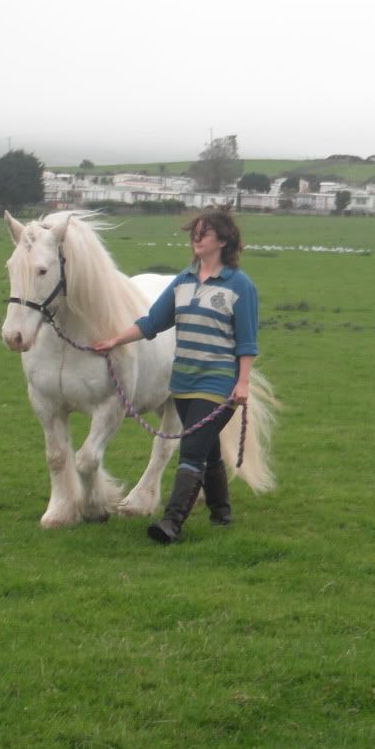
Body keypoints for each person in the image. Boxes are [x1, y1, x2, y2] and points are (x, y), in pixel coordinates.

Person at [93, 207, 259, 543]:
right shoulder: (183, 281)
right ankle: (221, 513)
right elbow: (153, 323)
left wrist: (242, 383)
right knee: (207, 447)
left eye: (205, 232)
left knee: (192, 450)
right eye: (194, 232)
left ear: (223, 240)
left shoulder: (240, 286)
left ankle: (171, 522)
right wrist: (115, 339)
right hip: (182, 383)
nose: (196, 238)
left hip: (218, 384)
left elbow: (247, 342)